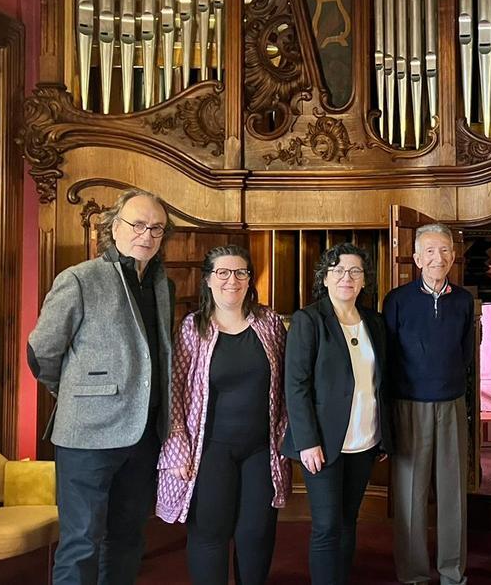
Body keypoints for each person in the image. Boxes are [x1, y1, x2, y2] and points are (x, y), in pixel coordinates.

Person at [27, 188, 175, 585]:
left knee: (128, 539)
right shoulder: (78, 278)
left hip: (144, 435)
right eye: (138, 224)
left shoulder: (162, 283)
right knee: (81, 542)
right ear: (113, 227)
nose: (147, 235)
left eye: (156, 228)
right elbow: (42, 353)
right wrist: (78, 396)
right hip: (87, 437)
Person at [156, 244, 291, 585]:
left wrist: (286, 437)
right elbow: (175, 392)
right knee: (210, 534)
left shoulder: (270, 323)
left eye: (241, 272)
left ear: (250, 279)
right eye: (223, 273)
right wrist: (177, 448)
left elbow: (288, 385)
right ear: (208, 280)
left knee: (256, 535)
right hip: (209, 450)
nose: (232, 280)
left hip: (261, 449)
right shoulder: (193, 328)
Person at [282, 243, 392, 584]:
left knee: (348, 520)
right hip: (323, 444)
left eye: (355, 271)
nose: (347, 277)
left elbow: (380, 382)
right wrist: (307, 441)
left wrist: (384, 434)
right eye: (338, 270)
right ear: (325, 278)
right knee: (327, 527)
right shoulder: (309, 319)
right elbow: (295, 385)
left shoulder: (374, 322)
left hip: (364, 438)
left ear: (363, 281)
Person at [382, 223, 474, 585]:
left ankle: (453, 572)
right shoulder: (397, 300)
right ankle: (413, 574)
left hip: (451, 402)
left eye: (445, 251)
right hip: (408, 404)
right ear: (418, 258)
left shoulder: (464, 300)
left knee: (454, 492)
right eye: (430, 251)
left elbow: (465, 355)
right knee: (410, 495)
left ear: (453, 256)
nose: (438, 258)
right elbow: (388, 358)